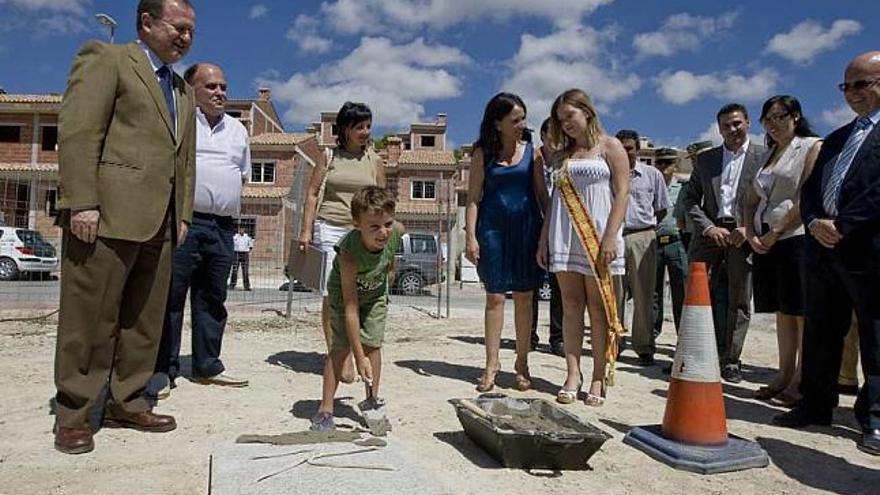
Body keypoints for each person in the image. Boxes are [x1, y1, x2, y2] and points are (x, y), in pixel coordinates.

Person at [52, 0, 196, 454]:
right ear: (147, 22)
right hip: (106, 216)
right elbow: (78, 131)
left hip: (162, 223)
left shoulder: (181, 90)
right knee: (90, 318)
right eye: (178, 27)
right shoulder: (108, 58)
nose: (186, 37)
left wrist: (184, 214)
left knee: (144, 320)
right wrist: (81, 202)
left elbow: (184, 160)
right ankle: (74, 412)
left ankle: (128, 400)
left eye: (191, 31)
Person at [774, 51, 880, 457]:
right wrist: (817, 220)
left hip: (867, 249)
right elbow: (812, 188)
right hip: (822, 250)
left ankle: (874, 418)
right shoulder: (837, 138)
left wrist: (844, 225)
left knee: (874, 336)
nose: (853, 93)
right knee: (820, 330)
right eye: (847, 86)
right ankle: (815, 405)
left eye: (862, 84)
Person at [152, 63, 251, 400]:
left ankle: (207, 365)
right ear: (190, 88)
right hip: (183, 223)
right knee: (171, 298)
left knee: (212, 299)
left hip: (222, 228)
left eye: (223, 86)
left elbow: (242, 175)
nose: (220, 92)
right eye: (210, 86)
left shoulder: (239, 130)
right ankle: (163, 370)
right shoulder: (178, 122)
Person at [538, 88, 629, 406]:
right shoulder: (563, 156)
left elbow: (622, 193)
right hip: (565, 235)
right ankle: (572, 373)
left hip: (599, 236)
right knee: (571, 307)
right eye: (560, 120)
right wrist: (544, 238)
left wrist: (610, 236)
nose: (566, 125)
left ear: (586, 111)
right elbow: (554, 202)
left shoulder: (611, 146)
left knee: (598, 310)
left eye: (569, 116)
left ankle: (597, 377)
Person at [298, 102, 385, 384]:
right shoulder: (328, 155)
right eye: (359, 127)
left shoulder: (375, 160)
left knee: (358, 295)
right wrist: (306, 230)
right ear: (344, 129)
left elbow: (383, 201)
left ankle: (356, 348)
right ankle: (338, 354)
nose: (365, 132)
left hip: (362, 233)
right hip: (330, 228)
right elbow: (312, 194)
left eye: (368, 126)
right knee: (331, 293)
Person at [743, 95, 821, 407]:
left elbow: (808, 195)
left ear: (796, 116)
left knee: (801, 312)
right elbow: (752, 198)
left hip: (795, 237)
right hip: (765, 240)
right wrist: (751, 232)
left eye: (780, 116)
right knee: (782, 311)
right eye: (768, 119)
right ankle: (783, 373)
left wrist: (776, 232)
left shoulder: (811, 146)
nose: (773, 124)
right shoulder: (769, 154)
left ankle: (802, 378)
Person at [466, 92, 546, 392]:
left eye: (523, 118)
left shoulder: (533, 153)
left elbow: (542, 195)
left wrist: (548, 234)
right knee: (495, 296)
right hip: (493, 229)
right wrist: (470, 236)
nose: (521, 124)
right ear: (497, 123)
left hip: (527, 228)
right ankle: (491, 364)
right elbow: (473, 198)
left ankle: (522, 362)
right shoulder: (481, 153)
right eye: (514, 120)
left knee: (525, 296)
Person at [681, 103, 765, 383]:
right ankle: (692, 354)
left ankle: (731, 359)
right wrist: (707, 227)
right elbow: (690, 200)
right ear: (719, 128)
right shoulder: (706, 160)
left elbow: (770, 200)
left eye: (737, 123)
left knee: (738, 299)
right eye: (727, 125)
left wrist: (748, 228)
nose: (733, 129)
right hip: (709, 234)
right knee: (696, 296)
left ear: (748, 123)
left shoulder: (763, 157)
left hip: (743, 235)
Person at [310, 186, 403, 431]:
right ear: (357, 224)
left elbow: (392, 247)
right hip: (345, 297)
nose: (383, 232)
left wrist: (390, 269)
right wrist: (357, 356)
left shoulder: (396, 232)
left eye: (387, 224)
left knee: (374, 345)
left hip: (375, 294)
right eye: (374, 226)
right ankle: (326, 410)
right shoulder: (349, 253)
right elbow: (350, 308)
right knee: (340, 349)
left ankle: (372, 401)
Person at [614, 130, 669, 366]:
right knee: (613, 294)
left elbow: (662, 208)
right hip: (614, 236)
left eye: (630, 148)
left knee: (644, 294)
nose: (626, 152)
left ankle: (644, 346)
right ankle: (613, 343)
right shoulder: (608, 174)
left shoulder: (652, 175)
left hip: (642, 236)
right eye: (621, 148)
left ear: (637, 150)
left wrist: (647, 232)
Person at [531, 118, 564, 357]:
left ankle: (558, 338)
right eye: (550, 134)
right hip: (533, 225)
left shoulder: (568, 161)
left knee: (560, 287)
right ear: (542, 136)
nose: (555, 140)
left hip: (561, 229)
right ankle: (529, 335)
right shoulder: (532, 158)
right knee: (530, 285)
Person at [652, 148, 688, 340]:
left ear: (675, 165)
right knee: (653, 293)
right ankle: (651, 336)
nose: (664, 167)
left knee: (680, 292)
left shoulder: (683, 187)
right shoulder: (650, 186)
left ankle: (682, 337)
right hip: (654, 242)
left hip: (676, 241)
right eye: (660, 163)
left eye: (668, 163)